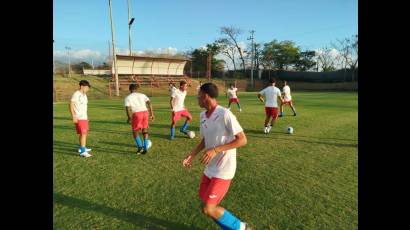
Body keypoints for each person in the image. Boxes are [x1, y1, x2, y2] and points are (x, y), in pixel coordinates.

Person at [182, 82, 252, 230]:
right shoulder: (202, 115)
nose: (197, 98)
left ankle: (243, 228)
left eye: (198, 95)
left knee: (209, 208)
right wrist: (192, 155)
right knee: (205, 207)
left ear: (206, 96)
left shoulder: (225, 114)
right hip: (210, 168)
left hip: (224, 169)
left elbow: (242, 139)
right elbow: (205, 139)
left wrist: (215, 150)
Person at [125, 83, 155, 155]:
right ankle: (145, 148)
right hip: (145, 113)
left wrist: (129, 117)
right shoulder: (142, 95)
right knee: (144, 130)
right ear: (136, 89)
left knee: (135, 131)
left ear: (130, 89)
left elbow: (127, 108)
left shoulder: (128, 97)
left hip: (137, 114)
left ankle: (140, 148)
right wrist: (152, 114)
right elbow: (149, 103)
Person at [69, 80, 93, 157]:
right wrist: (73, 116)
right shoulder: (76, 94)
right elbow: (70, 105)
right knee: (83, 133)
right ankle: (83, 152)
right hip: (79, 117)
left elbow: (84, 107)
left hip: (84, 117)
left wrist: (87, 117)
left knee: (83, 133)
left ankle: (82, 148)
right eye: (86, 87)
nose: (87, 89)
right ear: (82, 86)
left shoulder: (84, 95)